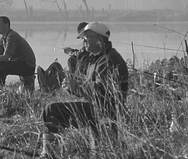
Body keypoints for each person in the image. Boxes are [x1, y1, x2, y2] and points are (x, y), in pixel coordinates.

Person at [40, 22, 129, 151]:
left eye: (87, 37)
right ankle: (60, 150)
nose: (84, 41)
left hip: (107, 111)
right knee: (53, 110)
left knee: (51, 110)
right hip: (100, 107)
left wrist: (77, 86)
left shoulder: (107, 60)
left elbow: (101, 93)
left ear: (98, 40)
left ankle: (50, 153)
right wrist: (72, 88)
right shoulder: (99, 58)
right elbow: (94, 92)